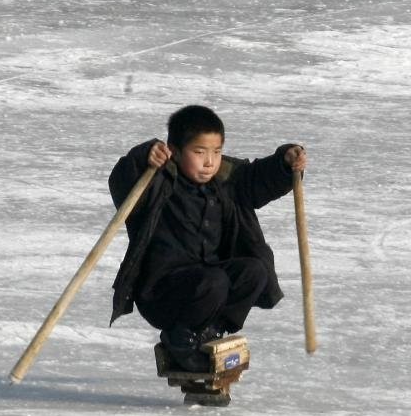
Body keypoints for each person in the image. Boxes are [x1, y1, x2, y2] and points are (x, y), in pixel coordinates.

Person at [107, 105, 307, 371]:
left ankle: (210, 331)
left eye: (216, 151)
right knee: (214, 280)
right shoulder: (158, 183)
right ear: (175, 152)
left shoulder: (226, 182)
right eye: (199, 152)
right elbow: (123, 180)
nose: (210, 161)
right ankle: (180, 338)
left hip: (209, 287)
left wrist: (285, 162)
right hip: (163, 293)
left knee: (255, 271)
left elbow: (258, 179)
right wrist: (146, 156)